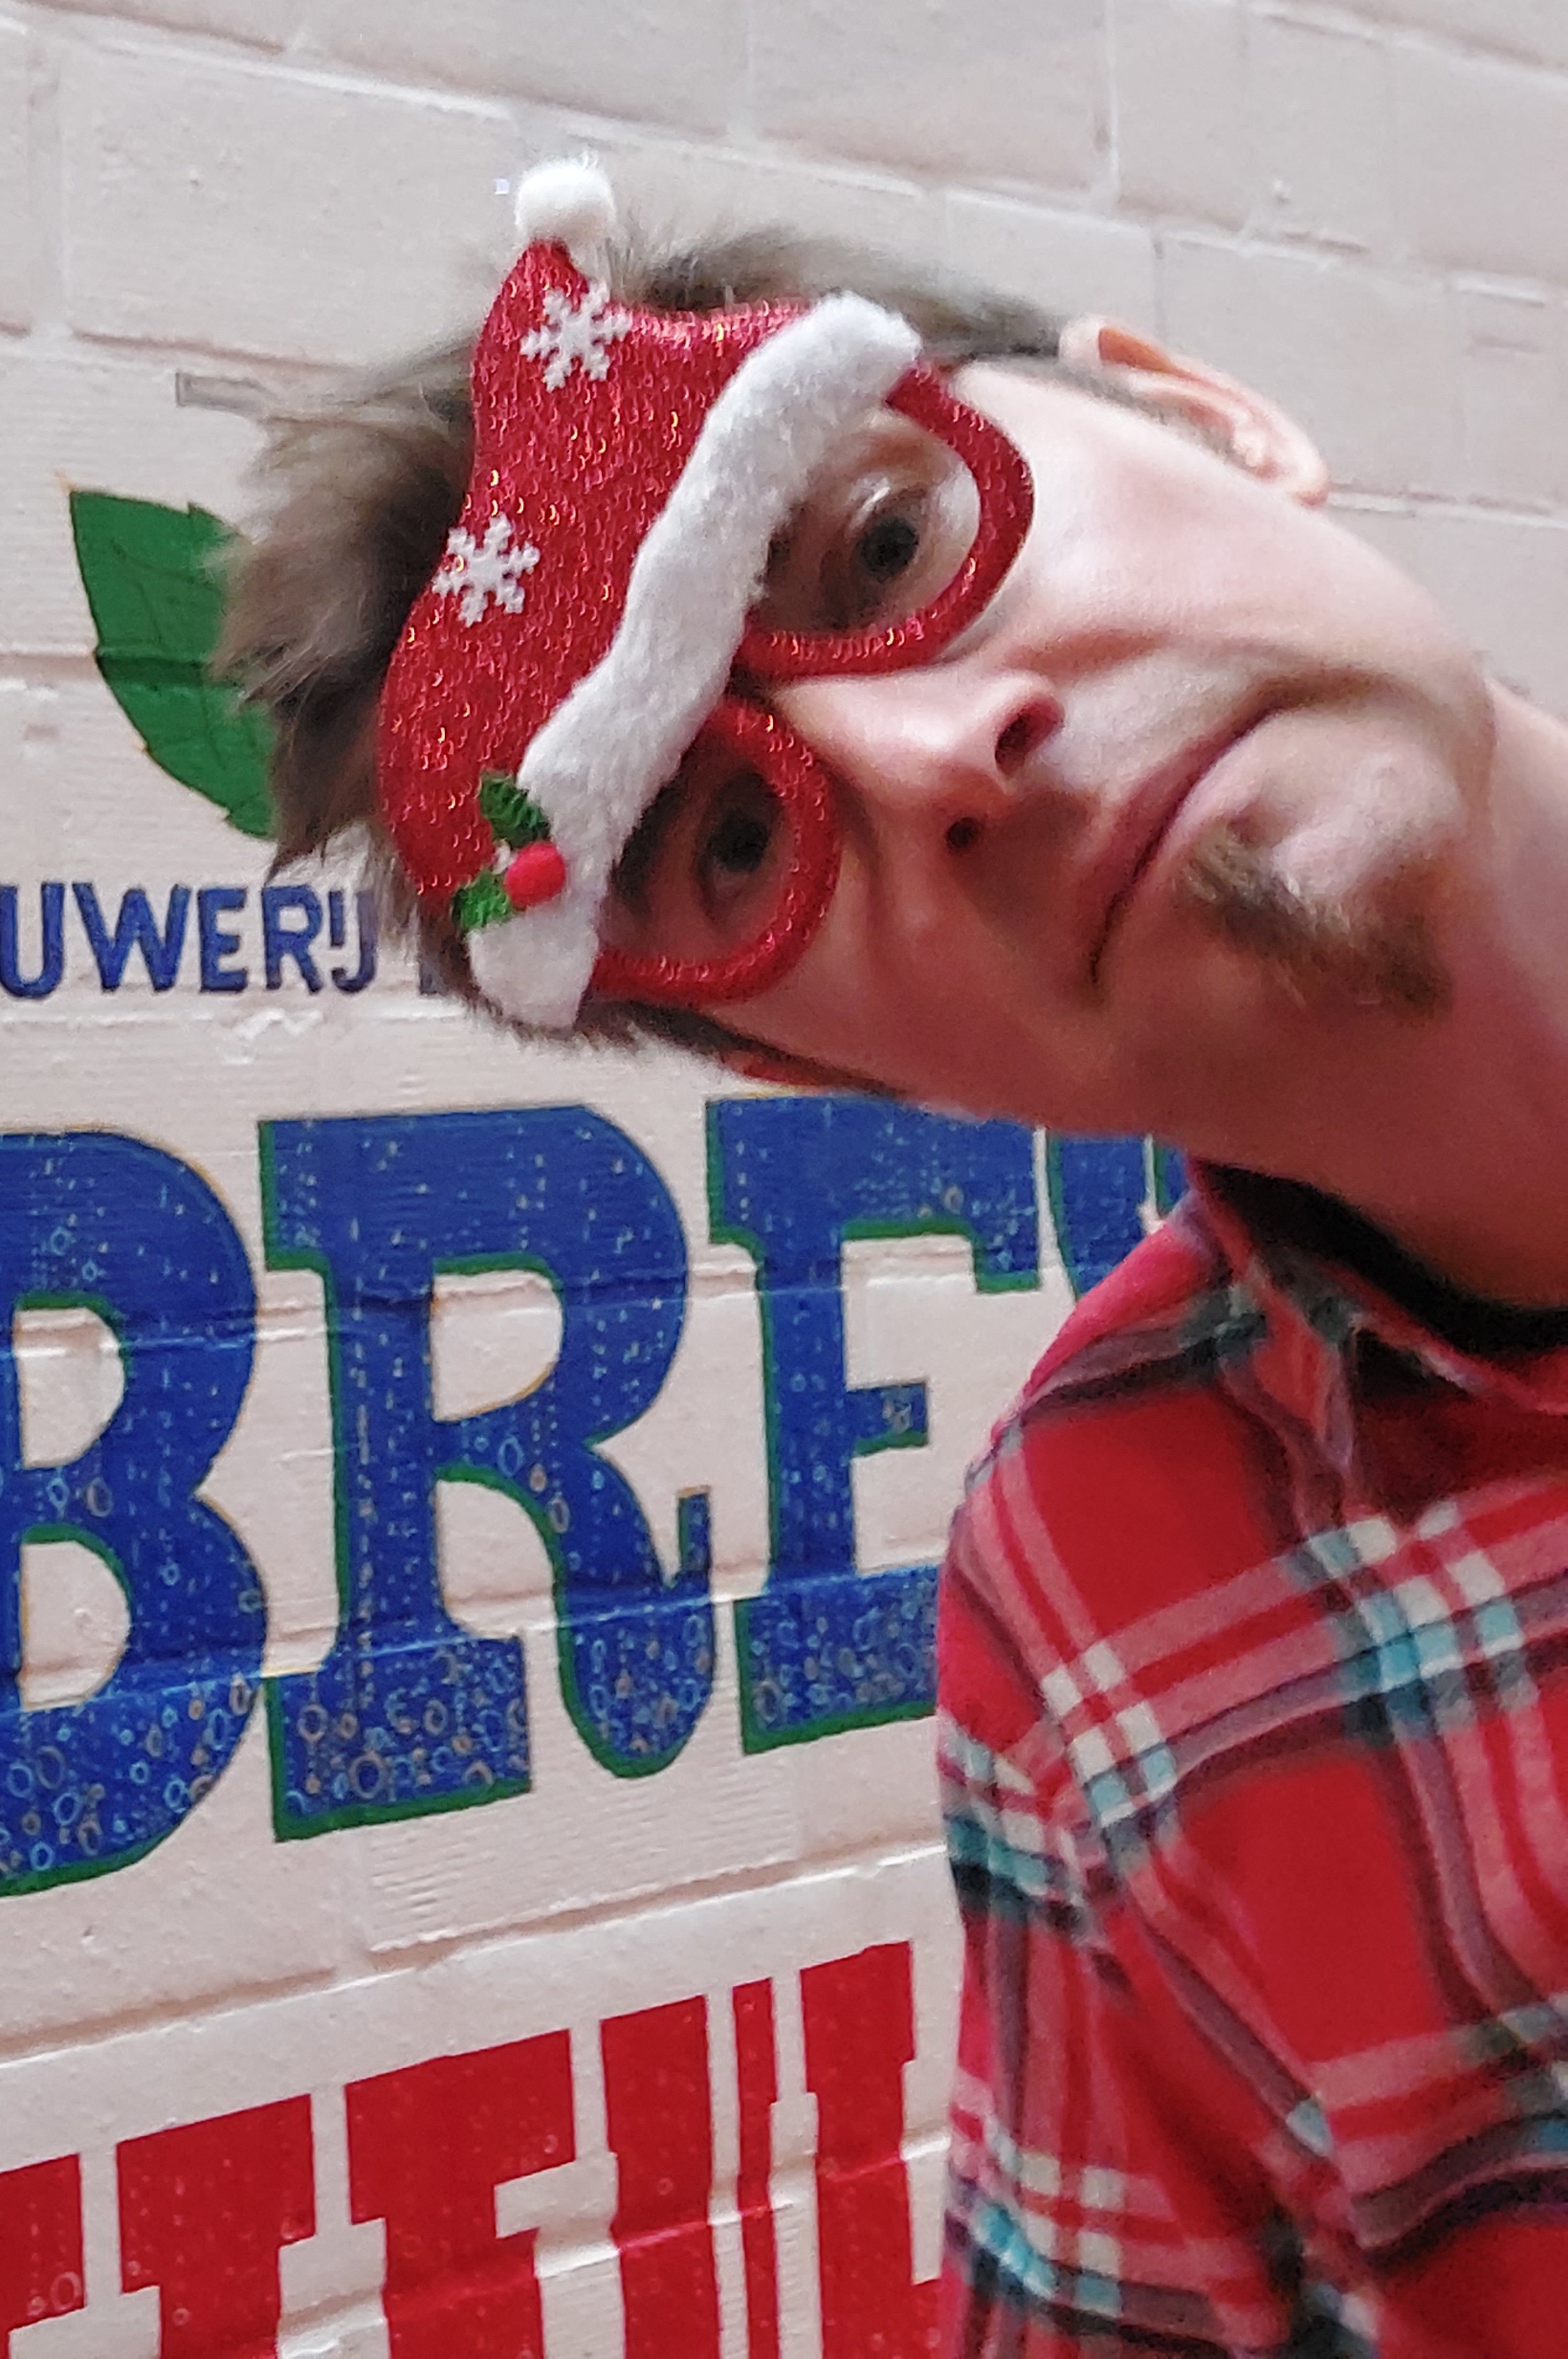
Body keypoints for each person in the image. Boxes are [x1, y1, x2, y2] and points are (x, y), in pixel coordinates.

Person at [210, 161, 1568, 2355]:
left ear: (1204, 419)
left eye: (883, 547)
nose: (937, 760)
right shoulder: (1106, 1597)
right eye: (741, 840)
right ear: (810, 1068)